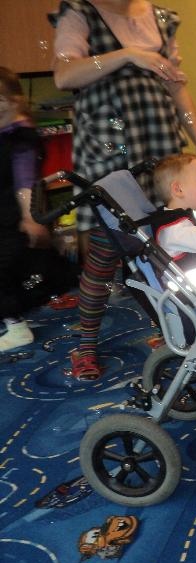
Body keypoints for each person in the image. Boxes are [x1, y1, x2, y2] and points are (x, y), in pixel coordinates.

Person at [50, 0, 196, 379]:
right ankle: (86, 345)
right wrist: (128, 55)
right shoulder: (80, 11)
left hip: (160, 148)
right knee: (105, 253)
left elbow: (177, 90)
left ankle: (176, 329)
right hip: (108, 155)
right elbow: (64, 75)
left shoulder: (160, 18)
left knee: (166, 247)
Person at [0, 67, 50, 351]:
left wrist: (30, 217)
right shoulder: (6, 132)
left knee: (3, 271)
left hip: (12, 217)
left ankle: (17, 328)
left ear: (16, 101)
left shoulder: (20, 138)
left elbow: (25, 180)